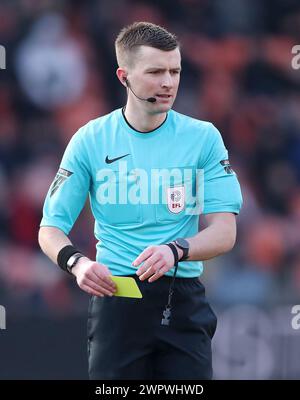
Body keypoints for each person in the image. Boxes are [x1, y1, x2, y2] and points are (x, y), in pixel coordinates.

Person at [38, 21, 243, 380]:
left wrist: (176, 249)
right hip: (118, 296)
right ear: (124, 76)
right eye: (155, 71)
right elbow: (50, 228)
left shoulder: (203, 138)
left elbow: (225, 231)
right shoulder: (90, 140)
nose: (168, 82)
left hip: (181, 299)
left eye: (175, 71)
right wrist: (78, 264)